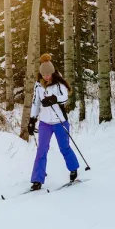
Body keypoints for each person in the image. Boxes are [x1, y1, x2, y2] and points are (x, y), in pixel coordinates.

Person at [29, 54, 80, 190]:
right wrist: (32, 119)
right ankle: (37, 180)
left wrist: (53, 98)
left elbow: (64, 97)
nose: (47, 77)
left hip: (59, 122)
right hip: (45, 123)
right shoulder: (38, 85)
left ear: (52, 72)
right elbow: (36, 102)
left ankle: (73, 169)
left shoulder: (59, 83)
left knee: (64, 148)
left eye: (49, 74)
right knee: (41, 150)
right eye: (44, 74)